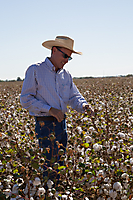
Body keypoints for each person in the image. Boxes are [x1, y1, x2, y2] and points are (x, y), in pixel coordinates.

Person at [20, 35, 94, 186]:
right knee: (48, 166)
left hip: (62, 125)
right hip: (45, 125)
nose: (66, 60)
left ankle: (57, 191)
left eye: (69, 58)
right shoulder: (36, 70)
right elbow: (26, 99)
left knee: (60, 164)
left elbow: (74, 97)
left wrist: (84, 106)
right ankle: (47, 192)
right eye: (65, 56)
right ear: (54, 50)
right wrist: (50, 109)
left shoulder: (65, 75)